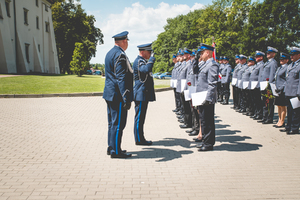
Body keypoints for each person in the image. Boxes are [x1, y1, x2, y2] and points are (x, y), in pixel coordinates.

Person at [103, 31, 133, 158]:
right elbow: (121, 78)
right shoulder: (120, 55)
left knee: (112, 123)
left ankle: (112, 147)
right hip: (118, 95)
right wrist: (126, 97)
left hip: (110, 93)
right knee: (118, 124)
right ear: (124, 41)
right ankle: (116, 151)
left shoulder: (110, 53)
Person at [193, 44, 219, 151]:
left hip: (206, 98)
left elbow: (212, 84)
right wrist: (195, 59)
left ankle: (208, 144)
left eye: (202, 53)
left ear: (207, 53)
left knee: (207, 121)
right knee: (203, 120)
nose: (200, 55)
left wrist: (208, 98)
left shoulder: (212, 65)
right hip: (201, 96)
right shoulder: (204, 64)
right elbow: (195, 71)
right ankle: (205, 140)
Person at [133, 43, 156, 145]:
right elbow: (145, 70)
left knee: (141, 118)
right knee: (139, 118)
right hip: (140, 94)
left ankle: (140, 138)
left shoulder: (142, 61)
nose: (150, 54)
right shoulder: (139, 61)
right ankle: (139, 139)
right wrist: (151, 60)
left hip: (143, 94)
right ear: (143, 52)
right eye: (149, 52)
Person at [280, 47, 300, 134]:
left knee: (296, 112)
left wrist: (299, 93)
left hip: (295, 92)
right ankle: (288, 126)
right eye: (291, 55)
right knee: (290, 110)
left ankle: (294, 128)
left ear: (299, 55)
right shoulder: (290, 65)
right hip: (288, 91)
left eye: (293, 55)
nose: (291, 56)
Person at [258, 46, 278, 124]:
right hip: (264, 85)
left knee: (269, 103)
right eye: (267, 53)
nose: (267, 54)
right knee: (264, 102)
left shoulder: (273, 63)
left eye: (269, 53)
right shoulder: (267, 62)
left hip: (268, 86)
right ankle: (265, 116)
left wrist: (269, 86)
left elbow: (272, 75)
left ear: (273, 54)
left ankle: (269, 118)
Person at [273, 52, 289, 128]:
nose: (281, 60)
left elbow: (286, 80)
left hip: (282, 90)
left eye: (283, 59)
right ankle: (279, 120)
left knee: (283, 106)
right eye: (280, 59)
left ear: (287, 60)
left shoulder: (287, 68)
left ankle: (282, 121)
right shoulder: (279, 68)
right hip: (277, 89)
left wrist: (281, 88)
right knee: (279, 106)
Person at [252, 51, 265, 120]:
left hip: (257, 85)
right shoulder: (257, 65)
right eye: (256, 57)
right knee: (255, 100)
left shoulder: (261, 65)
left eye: (257, 57)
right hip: (253, 85)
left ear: (261, 57)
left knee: (258, 100)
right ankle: (256, 112)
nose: (256, 58)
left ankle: (259, 114)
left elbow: (260, 76)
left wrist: (258, 85)